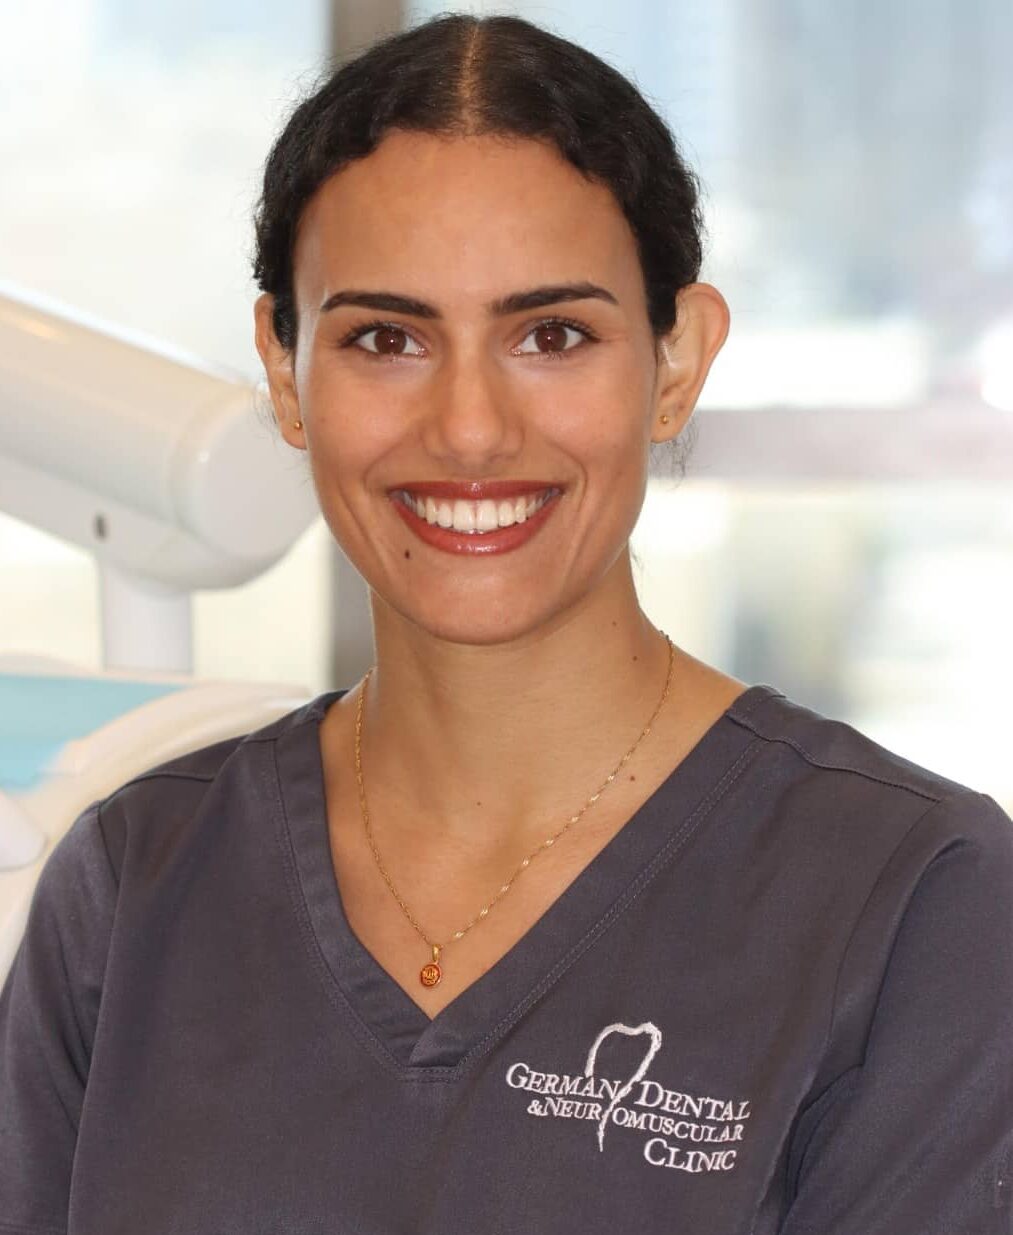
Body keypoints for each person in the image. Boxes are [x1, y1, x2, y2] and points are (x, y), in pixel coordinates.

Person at [2, 12, 1011, 1234]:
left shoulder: (911, 897)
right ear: (282, 368)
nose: (470, 428)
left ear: (675, 359)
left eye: (551, 336)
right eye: (385, 338)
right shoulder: (136, 884)